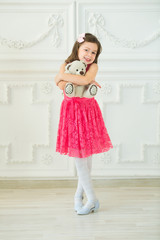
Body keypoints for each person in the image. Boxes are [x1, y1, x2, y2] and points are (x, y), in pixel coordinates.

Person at [54, 33, 113, 215]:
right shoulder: (66, 64)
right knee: (80, 158)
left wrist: (64, 77)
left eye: (93, 52)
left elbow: (85, 80)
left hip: (88, 113)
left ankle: (83, 197)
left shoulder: (92, 67)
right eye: (86, 49)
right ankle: (88, 198)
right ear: (77, 49)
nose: (89, 54)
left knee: (86, 159)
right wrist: (62, 78)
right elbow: (58, 82)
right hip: (72, 114)